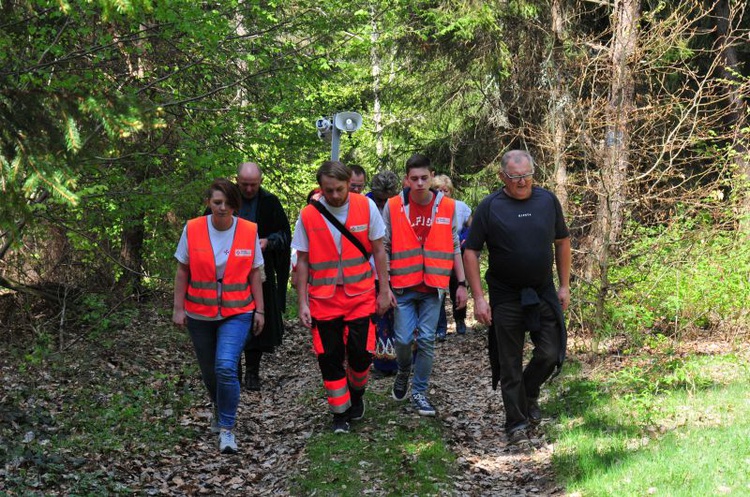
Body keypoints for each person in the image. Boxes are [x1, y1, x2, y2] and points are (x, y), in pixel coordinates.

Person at [463, 150, 571, 445]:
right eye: (515, 177)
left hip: (543, 292)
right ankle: (516, 425)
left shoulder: (547, 201)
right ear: (502, 177)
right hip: (506, 296)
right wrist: (479, 298)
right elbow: (470, 251)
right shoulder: (490, 207)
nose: (522, 182)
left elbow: (562, 241)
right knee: (509, 362)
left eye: (527, 175)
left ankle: (528, 390)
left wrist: (564, 285)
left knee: (550, 352)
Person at [292, 161, 394, 433]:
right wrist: (302, 301)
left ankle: (356, 394)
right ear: (320, 188)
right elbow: (301, 260)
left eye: (339, 189)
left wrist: (384, 290)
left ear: (349, 183)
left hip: (360, 295)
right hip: (323, 299)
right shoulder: (308, 215)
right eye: (328, 190)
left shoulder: (366, 207)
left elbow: (379, 251)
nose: (335, 195)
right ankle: (340, 414)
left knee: (362, 354)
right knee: (329, 356)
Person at [172, 178, 265, 454]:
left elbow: (254, 273)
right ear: (208, 203)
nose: (222, 208)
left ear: (236, 205)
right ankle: (219, 404)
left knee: (225, 366)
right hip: (200, 312)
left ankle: (227, 428)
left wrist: (260, 310)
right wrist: (178, 308)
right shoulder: (193, 229)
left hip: (237, 311)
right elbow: (182, 271)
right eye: (217, 202)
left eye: (227, 203)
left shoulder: (248, 230)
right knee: (210, 371)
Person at [381, 154, 468, 417]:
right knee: (404, 340)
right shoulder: (394, 206)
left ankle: (419, 392)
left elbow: (454, 247)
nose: (419, 183)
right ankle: (404, 369)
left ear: (432, 177)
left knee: (428, 340)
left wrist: (461, 283)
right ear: (407, 179)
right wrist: (384, 286)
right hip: (403, 287)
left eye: (424, 178)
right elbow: (385, 246)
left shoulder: (449, 206)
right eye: (414, 178)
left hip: (434, 286)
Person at [235, 162, 291, 391]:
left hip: (261, 271)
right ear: (237, 181)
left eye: (253, 185)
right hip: (230, 272)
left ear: (260, 182)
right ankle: (233, 371)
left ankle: (252, 372)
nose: (249, 189)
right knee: (231, 318)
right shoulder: (226, 199)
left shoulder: (270, 202)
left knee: (257, 321)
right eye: (244, 185)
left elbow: (286, 234)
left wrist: (269, 242)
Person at [365, 170, 402, 376]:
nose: (383, 203)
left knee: (397, 313)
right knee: (379, 313)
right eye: (380, 199)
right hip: (372, 268)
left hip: (397, 266)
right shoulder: (365, 204)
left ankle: (402, 360)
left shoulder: (399, 204)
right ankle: (382, 362)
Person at [432, 174, 472, 340]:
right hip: (436, 253)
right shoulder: (429, 208)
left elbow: (472, 226)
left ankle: (460, 319)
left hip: (457, 252)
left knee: (458, 286)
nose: (442, 193)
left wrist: (465, 239)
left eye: (445, 190)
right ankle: (440, 326)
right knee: (438, 290)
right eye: (438, 190)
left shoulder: (460, 207)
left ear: (451, 191)